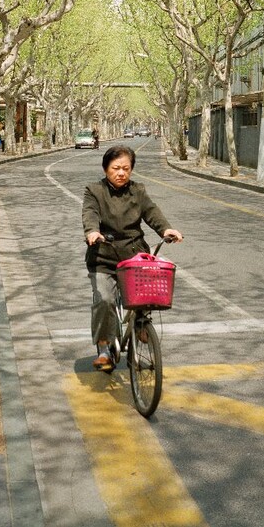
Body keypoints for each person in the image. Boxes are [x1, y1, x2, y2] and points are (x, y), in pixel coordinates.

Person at [82, 145, 183, 371]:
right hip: (103, 255)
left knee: (147, 293)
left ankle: (140, 324)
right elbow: (90, 213)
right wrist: (92, 232)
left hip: (134, 254)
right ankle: (105, 347)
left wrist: (166, 230)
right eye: (116, 168)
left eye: (126, 168)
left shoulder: (138, 190)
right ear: (106, 168)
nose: (121, 173)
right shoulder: (94, 190)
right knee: (105, 300)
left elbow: (151, 211)